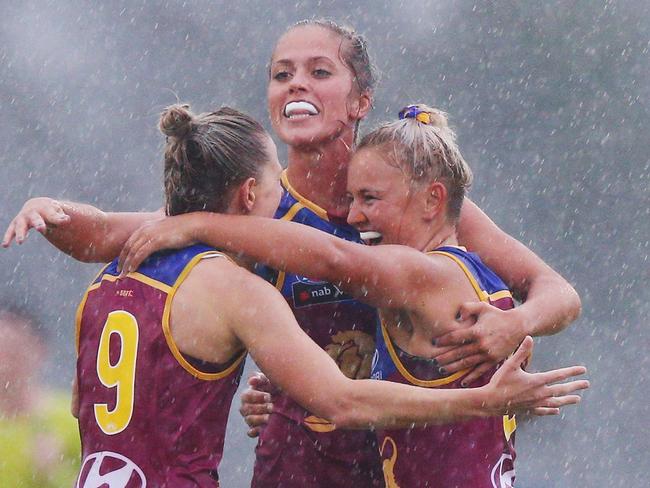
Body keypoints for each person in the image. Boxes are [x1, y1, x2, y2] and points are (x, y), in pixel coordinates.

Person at [3, 19, 582, 488]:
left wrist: (516, 324)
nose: (296, 84)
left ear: (362, 100)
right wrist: (47, 208)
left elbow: (557, 292)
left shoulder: (414, 197)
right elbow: (106, 236)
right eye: (282, 74)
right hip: (301, 462)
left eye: (319, 71)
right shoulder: (254, 212)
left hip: (413, 456)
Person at [114, 103, 576, 487]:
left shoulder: (426, 273)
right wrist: (291, 393)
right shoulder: (475, 280)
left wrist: (196, 224)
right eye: (351, 199)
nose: (353, 216)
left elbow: (336, 259)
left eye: (370, 199)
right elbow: (470, 422)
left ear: (433, 201)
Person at [0, 308, 80, 487]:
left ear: (39, 351)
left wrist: (56, 471)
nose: (5, 362)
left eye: (14, 350)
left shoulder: (72, 418)